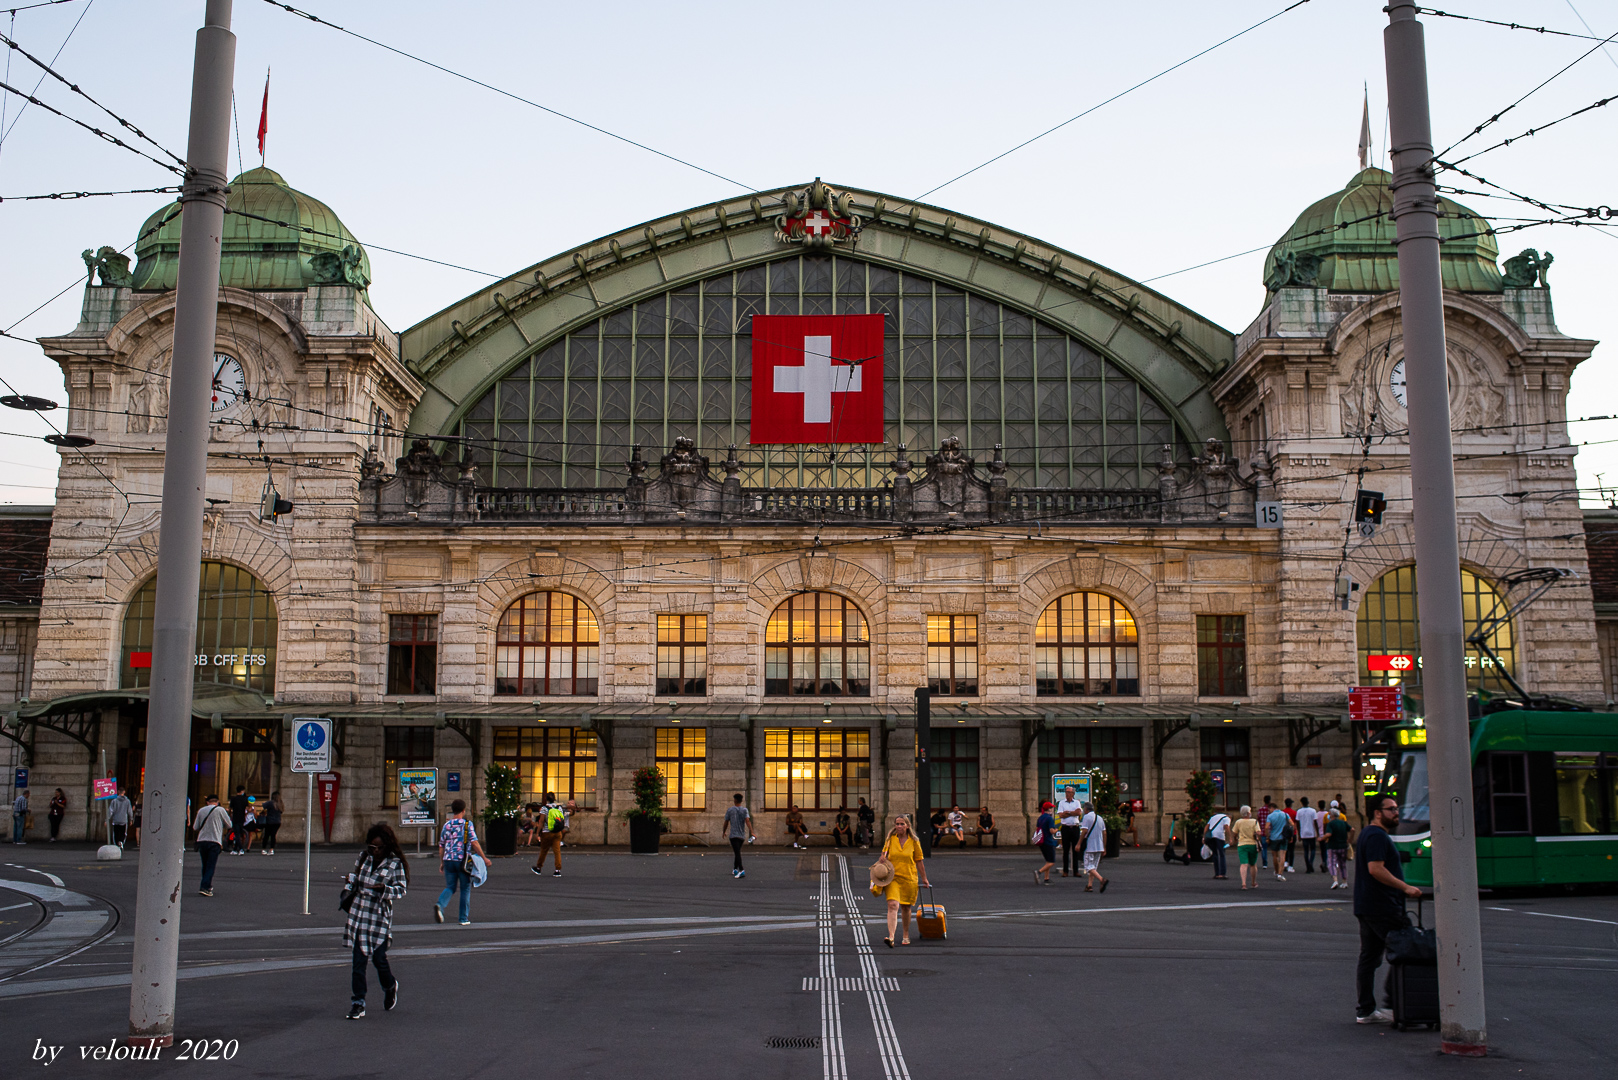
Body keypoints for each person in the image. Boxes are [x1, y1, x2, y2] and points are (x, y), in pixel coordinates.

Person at [1353, 794, 1424, 1024]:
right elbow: (1375, 869)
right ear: (1377, 813)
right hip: (1383, 906)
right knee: (1406, 949)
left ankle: (1366, 1011)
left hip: (1367, 905)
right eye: (1391, 809)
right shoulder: (1376, 836)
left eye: (1396, 808)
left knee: (1370, 957)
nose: (1396, 813)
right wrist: (1405, 887)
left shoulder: (1367, 834)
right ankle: (1394, 1005)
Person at [344, 822, 408, 1020]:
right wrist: (349, 882)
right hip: (359, 913)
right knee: (358, 962)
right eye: (371, 846)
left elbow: (401, 889)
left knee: (379, 959)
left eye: (379, 847)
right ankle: (358, 1003)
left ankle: (390, 986)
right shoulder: (364, 857)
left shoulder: (394, 863)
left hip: (379, 916)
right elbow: (355, 878)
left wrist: (385, 890)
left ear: (386, 846)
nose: (375, 851)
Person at [873, 815, 930, 947]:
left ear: (907, 826)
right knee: (892, 905)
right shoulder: (890, 840)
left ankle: (905, 934)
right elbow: (884, 855)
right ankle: (891, 937)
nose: (899, 826)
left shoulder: (914, 841)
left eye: (902, 824)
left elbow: (919, 861)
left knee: (906, 907)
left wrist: (924, 878)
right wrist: (882, 858)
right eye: (897, 824)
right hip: (892, 878)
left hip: (909, 878)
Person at [435, 799, 488, 926]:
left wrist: (442, 862)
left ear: (452, 811)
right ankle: (463, 918)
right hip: (462, 861)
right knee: (465, 889)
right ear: (464, 811)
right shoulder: (467, 824)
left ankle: (440, 904)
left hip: (448, 860)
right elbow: (474, 843)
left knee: (450, 887)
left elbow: (441, 846)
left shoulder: (446, 825)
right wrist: (484, 858)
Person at [192, 794, 230, 897]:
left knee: (205, 864)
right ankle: (205, 886)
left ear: (207, 802)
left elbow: (195, 827)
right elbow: (229, 824)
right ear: (217, 802)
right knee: (211, 865)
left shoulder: (201, 810)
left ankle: (207, 884)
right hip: (214, 840)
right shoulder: (220, 810)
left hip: (202, 840)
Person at [531, 792, 566, 877]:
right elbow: (561, 819)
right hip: (557, 832)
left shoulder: (544, 808)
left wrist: (537, 833)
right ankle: (557, 870)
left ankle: (538, 868)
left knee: (544, 850)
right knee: (557, 851)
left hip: (547, 832)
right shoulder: (559, 807)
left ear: (546, 799)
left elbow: (541, 822)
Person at [1079, 801, 1109, 893]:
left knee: (1088, 867)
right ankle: (1089, 885)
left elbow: (1084, 831)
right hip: (1099, 846)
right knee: (1093, 868)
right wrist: (1104, 847)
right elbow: (1104, 833)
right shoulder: (1100, 818)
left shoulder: (1086, 817)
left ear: (1086, 809)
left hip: (1090, 846)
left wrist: (1078, 843)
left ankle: (1101, 880)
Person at [723, 793, 755, 878]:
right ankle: (735, 869)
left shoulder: (730, 810)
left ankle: (741, 869)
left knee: (737, 853)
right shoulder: (745, 810)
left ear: (735, 800)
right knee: (737, 852)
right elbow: (747, 821)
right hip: (741, 835)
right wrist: (751, 831)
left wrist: (724, 831)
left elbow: (726, 822)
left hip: (733, 835)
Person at [1056, 785, 1084, 878]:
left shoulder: (1076, 802)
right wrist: (1072, 813)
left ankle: (1075, 871)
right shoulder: (1061, 803)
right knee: (1066, 850)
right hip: (1065, 828)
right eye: (1066, 792)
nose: (1067, 794)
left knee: (1075, 849)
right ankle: (1065, 871)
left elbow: (1078, 813)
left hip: (1075, 827)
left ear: (1073, 793)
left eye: (1069, 792)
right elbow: (1061, 815)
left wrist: (1068, 812)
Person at [1324, 801, 1353, 889]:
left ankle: (1335, 880)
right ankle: (1344, 881)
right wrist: (1350, 839)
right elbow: (1352, 829)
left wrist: (1322, 838)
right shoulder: (1343, 822)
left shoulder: (1331, 824)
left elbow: (1329, 834)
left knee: (1332, 863)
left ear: (1332, 815)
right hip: (1343, 845)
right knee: (1342, 864)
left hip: (1332, 846)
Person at [1231, 805, 1261, 889]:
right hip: (1252, 844)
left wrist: (1235, 839)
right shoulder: (1254, 821)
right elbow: (1258, 832)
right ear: (1248, 813)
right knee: (1252, 864)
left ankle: (1243, 883)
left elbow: (1234, 832)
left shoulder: (1238, 822)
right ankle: (1253, 882)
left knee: (1243, 864)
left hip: (1242, 844)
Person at [1266, 800, 1293, 881]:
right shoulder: (1285, 814)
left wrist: (1268, 836)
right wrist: (1290, 835)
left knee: (1275, 856)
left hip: (1274, 837)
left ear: (1272, 808)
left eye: (1269, 809)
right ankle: (1280, 874)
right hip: (1283, 837)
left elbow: (1267, 827)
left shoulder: (1270, 816)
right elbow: (1292, 824)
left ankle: (1277, 871)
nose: (1269, 811)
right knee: (1282, 856)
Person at [1203, 808, 1231, 879]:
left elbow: (1206, 827)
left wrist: (1204, 837)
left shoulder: (1213, 817)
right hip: (1220, 836)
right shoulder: (1227, 818)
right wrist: (1230, 838)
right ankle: (1222, 873)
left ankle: (1217, 873)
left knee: (1215, 854)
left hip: (1211, 836)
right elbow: (1226, 827)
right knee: (1222, 854)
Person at [1033, 801, 1057, 883]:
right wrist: (1056, 830)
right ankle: (1039, 872)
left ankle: (1046, 878)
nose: (1052, 809)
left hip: (1041, 841)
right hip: (1048, 841)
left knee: (1047, 860)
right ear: (1049, 809)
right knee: (1051, 862)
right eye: (1051, 808)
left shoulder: (1040, 817)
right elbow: (1051, 831)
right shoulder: (1049, 818)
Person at [1296, 797, 1320, 874]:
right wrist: (1317, 833)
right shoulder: (1313, 811)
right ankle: (1311, 863)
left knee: (1306, 850)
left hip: (1303, 833)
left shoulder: (1299, 811)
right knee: (1313, 849)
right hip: (1311, 832)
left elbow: (1298, 823)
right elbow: (1315, 822)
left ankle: (1308, 865)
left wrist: (1299, 834)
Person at [228, 785, 249, 855]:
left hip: (235, 817)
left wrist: (230, 815)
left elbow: (230, 808)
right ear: (242, 791)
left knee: (236, 834)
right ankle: (235, 849)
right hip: (242, 818)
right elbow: (247, 808)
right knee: (239, 833)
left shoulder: (233, 799)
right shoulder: (244, 799)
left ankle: (240, 848)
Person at [1255, 796, 1275, 870]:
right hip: (1272, 831)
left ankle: (1265, 863)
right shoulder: (1271, 810)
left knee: (1264, 848)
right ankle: (1276, 862)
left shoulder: (1260, 809)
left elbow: (1258, 819)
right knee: (1274, 848)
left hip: (1263, 831)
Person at [1282, 798, 1299, 873]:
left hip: (1284, 832)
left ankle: (1285, 862)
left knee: (1285, 849)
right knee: (1291, 850)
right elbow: (1296, 823)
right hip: (1292, 832)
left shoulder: (1283, 812)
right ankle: (1290, 866)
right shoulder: (1294, 812)